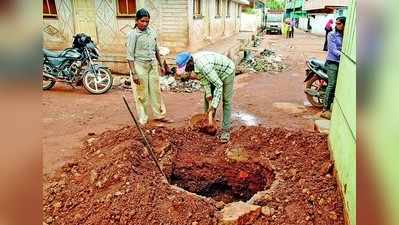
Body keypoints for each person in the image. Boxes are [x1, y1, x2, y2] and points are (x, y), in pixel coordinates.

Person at [175, 51, 235, 143]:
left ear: (189, 62)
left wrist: (214, 106)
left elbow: (219, 85)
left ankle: (225, 131)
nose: (186, 71)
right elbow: (204, 80)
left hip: (226, 71)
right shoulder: (195, 66)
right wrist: (209, 95)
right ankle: (208, 123)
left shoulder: (203, 66)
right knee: (207, 98)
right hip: (213, 72)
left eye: (185, 68)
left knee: (226, 100)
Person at [126, 8, 172, 125]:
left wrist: (161, 65)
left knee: (156, 91)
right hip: (139, 66)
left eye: (147, 21)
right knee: (142, 93)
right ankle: (143, 118)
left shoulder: (151, 32)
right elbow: (130, 56)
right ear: (136, 21)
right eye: (142, 21)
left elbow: (156, 49)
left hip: (152, 65)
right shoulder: (133, 34)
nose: (145, 24)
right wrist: (134, 73)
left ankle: (159, 115)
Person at [321, 17, 346, 119]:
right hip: (332, 62)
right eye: (336, 23)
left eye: (339, 23)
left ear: (344, 25)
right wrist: (344, 55)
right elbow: (332, 50)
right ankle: (325, 108)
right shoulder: (332, 34)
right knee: (332, 84)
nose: (337, 25)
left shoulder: (346, 36)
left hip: (341, 63)